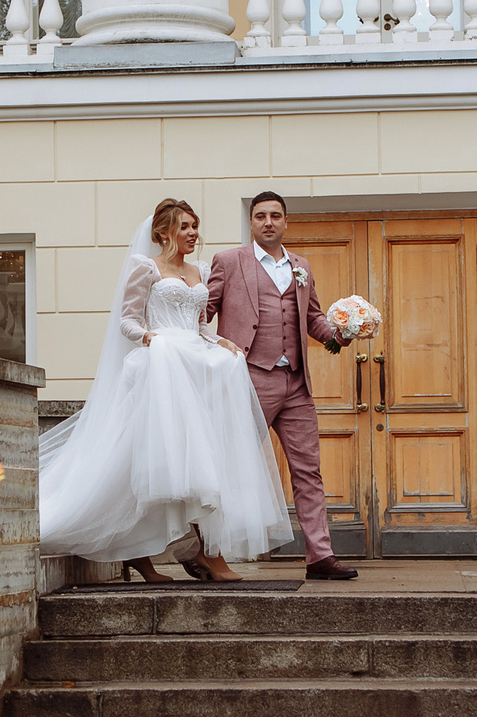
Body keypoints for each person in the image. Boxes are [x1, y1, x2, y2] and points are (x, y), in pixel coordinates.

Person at [41, 196, 296, 576]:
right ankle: (161, 551)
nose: (193, 233)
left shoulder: (200, 270)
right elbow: (127, 321)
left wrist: (220, 341)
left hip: (194, 366)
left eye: (195, 226)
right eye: (184, 227)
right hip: (161, 368)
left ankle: (197, 550)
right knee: (148, 463)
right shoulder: (146, 268)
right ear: (164, 233)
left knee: (197, 460)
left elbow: (199, 325)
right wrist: (149, 338)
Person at [205, 190, 369, 581]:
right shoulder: (228, 262)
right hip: (248, 379)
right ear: (251, 222)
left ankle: (320, 556)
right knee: (227, 465)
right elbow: (201, 313)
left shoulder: (301, 266)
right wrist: (205, 347)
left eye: (275, 215)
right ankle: (206, 550)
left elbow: (313, 320)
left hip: (295, 382)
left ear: (285, 221)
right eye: (261, 216)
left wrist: (343, 332)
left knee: (308, 470)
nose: (268, 222)